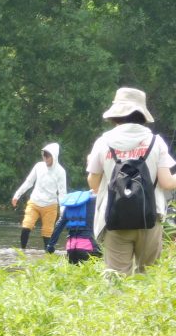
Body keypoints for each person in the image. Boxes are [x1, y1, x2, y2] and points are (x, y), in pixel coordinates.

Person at [86, 87, 176, 274]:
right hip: (149, 218)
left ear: (116, 114)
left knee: (116, 278)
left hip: (114, 218)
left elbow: (94, 185)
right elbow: (167, 183)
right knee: (147, 277)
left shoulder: (104, 142)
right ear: (142, 113)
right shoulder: (155, 141)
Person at [11, 142, 67, 249]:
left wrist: (63, 211)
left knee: (47, 235)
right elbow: (28, 182)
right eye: (43, 155)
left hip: (50, 206)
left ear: (54, 156)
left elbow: (62, 193)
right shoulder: (39, 166)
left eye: (47, 156)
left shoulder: (60, 172)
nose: (45, 158)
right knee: (26, 227)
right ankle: (23, 253)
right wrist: (17, 195)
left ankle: (48, 258)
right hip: (34, 202)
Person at [45, 190, 100, 264]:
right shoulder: (94, 201)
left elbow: (59, 226)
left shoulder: (69, 206)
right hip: (87, 246)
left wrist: (50, 245)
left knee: (75, 270)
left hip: (70, 248)